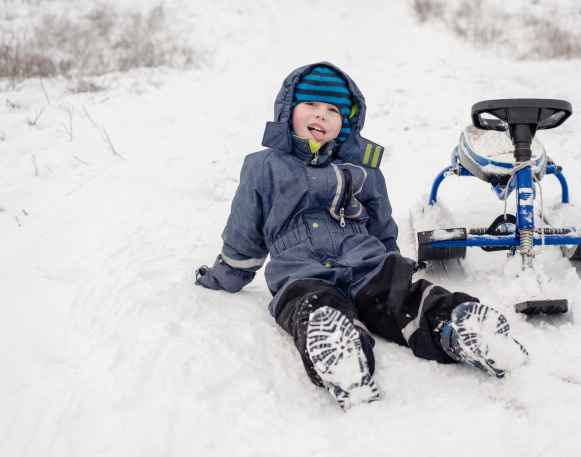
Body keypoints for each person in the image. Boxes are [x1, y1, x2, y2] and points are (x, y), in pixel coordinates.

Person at [195, 62, 528, 410]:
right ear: (287, 110)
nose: (321, 116)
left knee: (403, 296)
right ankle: (342, 355)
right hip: (300, 269)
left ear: (347, 124)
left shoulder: (363, 169)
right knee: (311, 306)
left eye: (333, 110)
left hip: (363, 258)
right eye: (310, 105)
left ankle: (457, 327)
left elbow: (382, 223)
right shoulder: (263, 166)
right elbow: (244, 231)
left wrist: (393, 264)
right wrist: (225, 276)